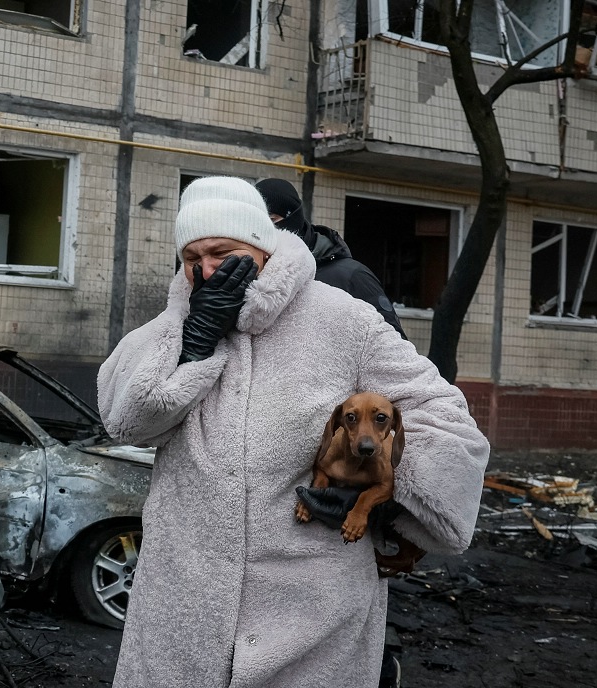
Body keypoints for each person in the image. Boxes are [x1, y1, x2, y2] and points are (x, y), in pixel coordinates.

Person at [97, 176, 489, 688]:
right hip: (184, 603)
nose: (207, 269)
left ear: (261, 245)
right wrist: (194, 345)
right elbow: (126, 421)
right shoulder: (171, 327)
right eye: (192, 258)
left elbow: (445, 417)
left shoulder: (345, 321)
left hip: (313, 608)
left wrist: (387, 498)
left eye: (222, 251)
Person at [256, 178, 409, 687]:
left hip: (356, 455)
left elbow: (396, 371)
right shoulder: (252, 278)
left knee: (350, 602)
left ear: (287, 220)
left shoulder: (349, 278)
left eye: (270, 223)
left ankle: (379, 671)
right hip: (294, 474)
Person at [255, 178, 406, 338]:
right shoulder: (254, 274)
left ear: (294, 218)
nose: (265, 230)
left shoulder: (352, 276)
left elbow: (393, 345)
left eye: (271, 220)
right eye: (257, 223)